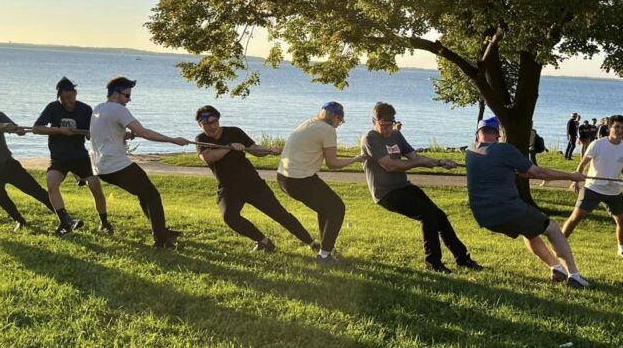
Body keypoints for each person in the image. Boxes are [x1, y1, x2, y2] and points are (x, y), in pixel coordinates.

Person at [466, 116, 591, 288]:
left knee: (529, 231)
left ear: (477, 133)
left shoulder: (471, 150)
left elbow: (493, 169)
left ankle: (557, 268)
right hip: (506, 209)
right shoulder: (504, 150)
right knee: (552, 228)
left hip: (482, 214)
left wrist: (516, 172)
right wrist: (571, 176)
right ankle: (574, 276)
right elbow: (540, 173)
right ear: (498, 134)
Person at [361, 102, 482, 274]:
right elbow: (390, 165)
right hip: (385, 193)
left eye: (391, 125)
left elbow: (414, 156)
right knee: (427, 214)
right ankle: (433, 264)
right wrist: (418, 163)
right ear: (374, 121)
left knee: (439, 215)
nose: (388, 129)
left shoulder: (396, 136)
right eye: (384, 125)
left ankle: (462, 259)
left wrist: (440, 162)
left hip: (403, 187)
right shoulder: (370, 138)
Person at [194, 105, 317, 253]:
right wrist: (229, 147)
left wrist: (268, 150)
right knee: (229, 217)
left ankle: (311, 242)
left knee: (279, 214)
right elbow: (207, 157)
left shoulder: (234, 132)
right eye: (206, 124)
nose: (212, 126)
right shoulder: (201, 139)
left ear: (218, 120)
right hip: (229, 188)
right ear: (200, 124)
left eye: (214, 121)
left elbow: (254, 149)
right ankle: (264, 242)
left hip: (252, 184)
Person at [90, 76, 191, 248]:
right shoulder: (118, 109)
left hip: (101, 167)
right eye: (127, 95)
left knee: (144, 193)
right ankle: (161, 240)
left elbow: (107, 133)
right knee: (152, 195)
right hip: (116, 165)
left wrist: (124, 135)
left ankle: (160, 230)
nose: (129, 100)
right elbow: (144, 132)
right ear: (116, 94)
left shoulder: (99, 108)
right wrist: (173, 140)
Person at [277, 102, 366, 264]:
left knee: (326, 206)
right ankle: (324, 256)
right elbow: (332, 163)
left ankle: (327, 248)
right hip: (299, 180)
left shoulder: (309, 123)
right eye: (340, 120)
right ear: (335, 116)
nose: (339, 124)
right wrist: (357, 159)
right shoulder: (328, 129)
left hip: (284, 177)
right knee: (337, 208)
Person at [0, 93, 64, 232]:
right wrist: (1, 126)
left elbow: (18, 130)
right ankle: (20, 221)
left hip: (9, 165)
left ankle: (66, 219)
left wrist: (16, 129)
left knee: (37, 191)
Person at [32, 77, 113, 235]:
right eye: (63, 99)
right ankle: (64, 223)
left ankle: (104, 223)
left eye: (70, 98)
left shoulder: (85, 109)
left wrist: (94, 134)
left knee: (95, 186)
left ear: (75, 93)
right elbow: (36, 128)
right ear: (59, 98)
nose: (67, 102)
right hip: (59, 157)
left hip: (80, 157)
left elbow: (92, 135)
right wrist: (58, 130)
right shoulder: (52, 108)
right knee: (51, 183)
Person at [562, 115, 623, 258]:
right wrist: (575, 181)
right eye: (617, 127)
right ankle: (560, 243)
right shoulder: (598, 144)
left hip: (613, 190)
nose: (620, 130)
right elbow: (583, 164)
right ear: (609, 127)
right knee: (576, 217)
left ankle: (622, 250)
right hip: (593, 188)